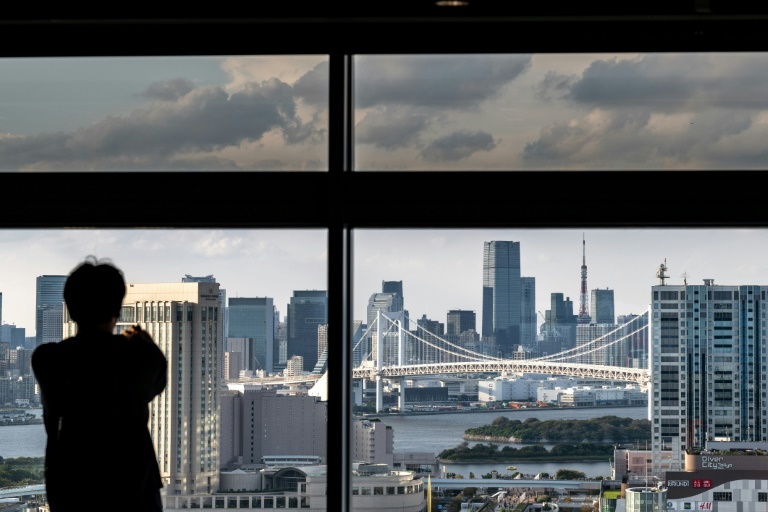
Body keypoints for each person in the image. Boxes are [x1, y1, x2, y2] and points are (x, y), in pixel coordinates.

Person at [31, 256, 167, 511]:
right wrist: (139, 340)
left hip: (71, 487)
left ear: (70, 309)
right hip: (131, 489)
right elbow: (157, 378)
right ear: (117, 310)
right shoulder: (136, 358)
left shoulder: (49, 360)